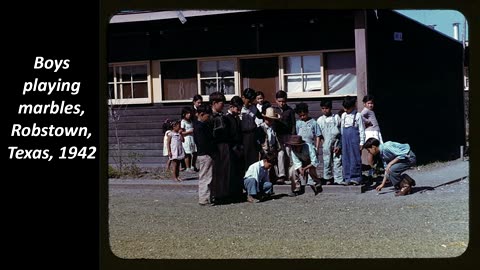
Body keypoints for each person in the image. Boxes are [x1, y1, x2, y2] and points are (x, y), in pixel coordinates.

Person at [257, 107, 287, 185]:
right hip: (265, 149)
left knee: (281, 153)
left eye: (271, 119)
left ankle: (281, 176)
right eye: (268, 119)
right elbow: (259, 142)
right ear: (265, 118)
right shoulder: (261, 128)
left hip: (274, 148)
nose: (270, 121)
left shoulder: (275, 127)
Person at [317, 100, 343, 185]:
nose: (325, 110)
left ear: (330, 108)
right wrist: (323, 144)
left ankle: (338, 179)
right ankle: (327, 178)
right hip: (326, 142)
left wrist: (339, 145)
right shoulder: (320, 120)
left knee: (337, 160)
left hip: (336, 141)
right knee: (327, 161)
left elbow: (340, 131)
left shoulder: (336, 118)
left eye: (327, 108)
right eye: (323, 108)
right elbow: (319, 134)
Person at [340, 96, 365, 185]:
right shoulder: (343, 115)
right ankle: (347, 177)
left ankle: (356, 177)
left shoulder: (357, 115)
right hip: (345, 138)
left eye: (347, 108)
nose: (345, 109)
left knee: (354, 157)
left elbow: (361, 130)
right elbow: (342, 129)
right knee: (346, 158)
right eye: (344, 108)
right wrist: (342, 141)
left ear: (353, 106)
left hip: (354, 138)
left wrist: (362, 142)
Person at [193, 104, 214, 205]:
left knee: (204, 176)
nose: (208, 117)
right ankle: (204, 198)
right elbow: (203, 142)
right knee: (206, 176)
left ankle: (205, 197)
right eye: (207, 115)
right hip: (205, 153)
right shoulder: (201, 127)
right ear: (201, 114)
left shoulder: (196, 125)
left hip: (202, 153)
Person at [361, 95, 384, 178]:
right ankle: (372, 170)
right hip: (371, 132)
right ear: (364, 104)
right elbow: (360, 116)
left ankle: (376, 169)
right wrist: (368, 122)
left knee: (377, 151)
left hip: (375, 131)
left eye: (372, 103)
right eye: (368, 103)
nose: (370, 105)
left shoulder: (370, 111)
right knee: (371, 151)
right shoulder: (365, 110)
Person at [241, 88, 261, 168]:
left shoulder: (254, 108)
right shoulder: (239, 108)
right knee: (244, 157)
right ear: (243, 98)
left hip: (252, 134)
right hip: (243, 135)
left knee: (253, 157)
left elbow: (260, 117)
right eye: (248, 101)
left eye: (251, 101)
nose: (250, 103)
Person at [180, 107, 197, 172]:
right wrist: (189, 132)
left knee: (195, 152)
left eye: (190, 113)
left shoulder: (190, 121)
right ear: (184, 114)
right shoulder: (183, 122)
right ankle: (187, 167)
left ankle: (193, 165)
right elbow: (181, 132)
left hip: (192, 138)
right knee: (187, 153)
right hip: (186, 139)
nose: (189, 114)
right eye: (187, 113)